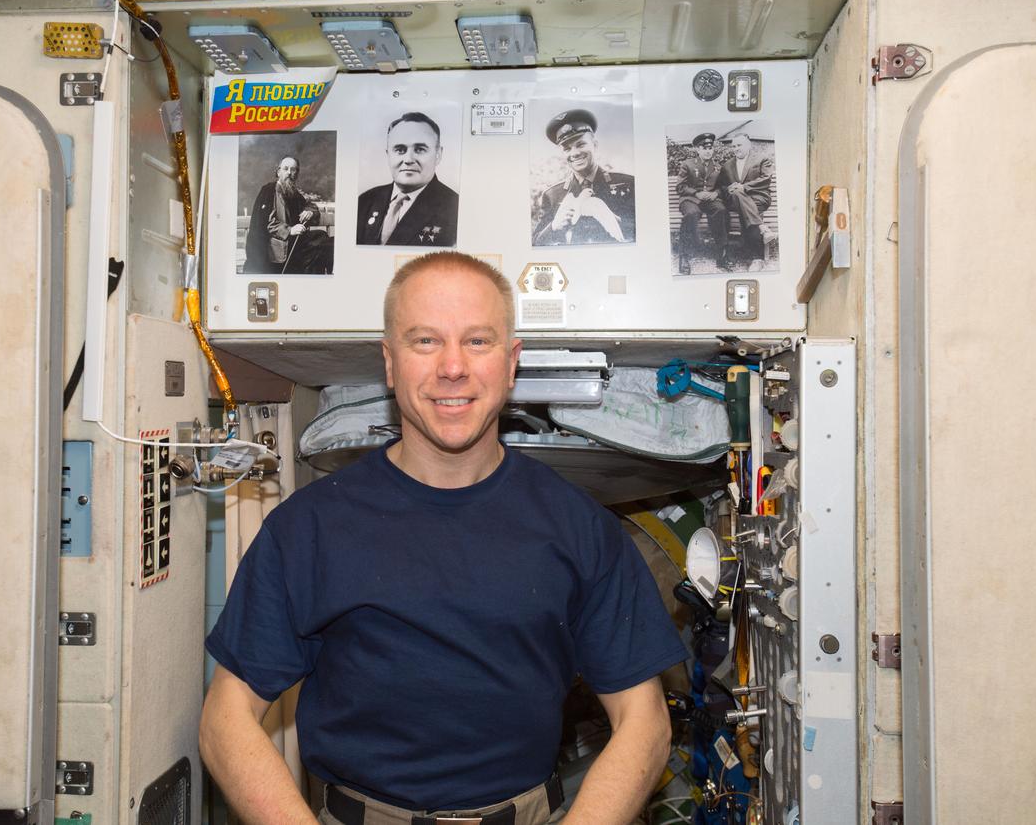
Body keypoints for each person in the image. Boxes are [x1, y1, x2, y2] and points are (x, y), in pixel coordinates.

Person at [200, 251, 688, 825]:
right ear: (390, 362)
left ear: (511, 363)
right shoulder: (308, 527)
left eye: (477, 341)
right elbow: (225, 719)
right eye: (425, 341)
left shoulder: (580, 527)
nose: (452, 367)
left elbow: (645, 721)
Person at [533, 109, 636, 246]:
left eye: (581, 144)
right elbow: (535, 243)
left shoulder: (628, 184)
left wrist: (617, 221)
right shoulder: (552, 195)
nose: (574, 153)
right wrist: (553, 227)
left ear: (595, 145)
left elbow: (648, 230)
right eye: (567, 149)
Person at [357, 112, 459, 247]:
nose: (408, 160)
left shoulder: (455, 208)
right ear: (388, 155)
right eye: (400, 150)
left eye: (420, 149)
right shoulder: (365, 201)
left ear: (438, 155)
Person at [244, 156, 331, 275]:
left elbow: (310, 205)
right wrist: (290, 230)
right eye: (286, 169)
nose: (289, 173)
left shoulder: (293, 192)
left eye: (293, 169)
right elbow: (267, 223)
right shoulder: (268, 191)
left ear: (296, 174)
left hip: (294, 244)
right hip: (276, 248)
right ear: (278, 172)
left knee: (323, 239)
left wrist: (309, 212)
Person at [717, 134, 776, 267]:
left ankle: (751, 254)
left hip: (758, 197)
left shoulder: (762, 159)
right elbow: (721, 186)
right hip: (735, 200)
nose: (736, 148)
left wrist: (744, 187)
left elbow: (766, 178)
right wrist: (729, 188)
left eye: (739, 145)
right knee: (739, 195)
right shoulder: (727, 165)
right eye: (734, 146)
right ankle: (758, 255)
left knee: (746, 203)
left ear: (748, 145)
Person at [675, 132, 730, 270]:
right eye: (704, 148)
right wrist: (696, 193)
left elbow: (723, 186)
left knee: (721, 210)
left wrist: (715, 193)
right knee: (692, 214)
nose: (707, 151)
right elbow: (680, 187)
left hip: (710, 200)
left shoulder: (718, 167)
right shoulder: (687, 164)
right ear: (697, 149)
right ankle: (684, 256)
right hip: (690, 199)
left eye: (710, 148)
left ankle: (721, 255)